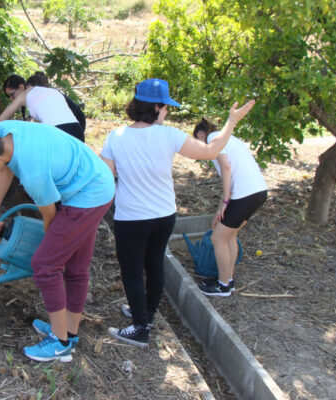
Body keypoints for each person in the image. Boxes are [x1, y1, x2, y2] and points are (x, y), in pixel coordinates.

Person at [100, 78, 255, 347]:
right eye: (167, 107)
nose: (168, 111)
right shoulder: (169, 134)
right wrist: (231, 122)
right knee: (154, 264)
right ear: (156, 107)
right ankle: (146, 315)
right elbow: (211, 151)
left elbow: (105, 178)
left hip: (131, 217)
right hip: (164, 215)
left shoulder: (115, 137)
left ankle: (139, 328)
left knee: (133, 271)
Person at [0, 120, 114, 362]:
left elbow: (50, 217)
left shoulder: (34, 174)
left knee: (45, 265)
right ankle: (68, 333)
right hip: (94, 178)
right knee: (75, 267)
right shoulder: (3, 132)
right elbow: (6, 168)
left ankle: (59, 344)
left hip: (88, 195)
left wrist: (52, 251)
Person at [192, 118, 268, 296]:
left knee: (218, 238)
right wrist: (223, 206)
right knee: (230, 235)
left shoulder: (213, 139)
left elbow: (226, 167)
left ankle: (223, 285)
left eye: (197, 141)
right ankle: (227, 279)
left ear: (201, 135)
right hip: (257, 192)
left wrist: (225, 202)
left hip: (244, 194)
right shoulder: (228, 138)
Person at [0, 73, 85, 142]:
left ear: (21, 87)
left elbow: (0, 120)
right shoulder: (48, 91)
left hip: (59, 132)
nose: (12, 99)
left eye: (12, 95)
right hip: (77, 130)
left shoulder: (23, 95)